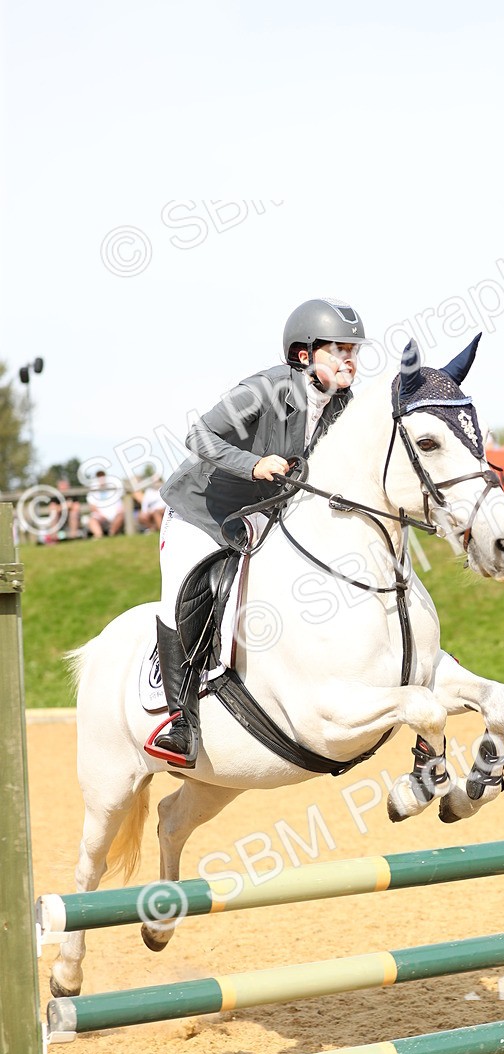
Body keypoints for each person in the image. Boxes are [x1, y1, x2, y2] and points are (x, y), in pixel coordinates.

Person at [150, 297, 368, 768]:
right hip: (200, 514)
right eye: (339, 350)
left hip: (261, 516)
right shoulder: (265, 389)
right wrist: (252, 464)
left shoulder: (343, 405)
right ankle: (180, 722)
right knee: (182, 594)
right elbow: (199, 436)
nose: (350, 360)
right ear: (304, 355)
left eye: (354, 351)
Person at [87, 470, 125, 537]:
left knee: (120, 516)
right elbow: (92, 506)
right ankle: (98, 535)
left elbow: (119, 504)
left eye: (102, 476)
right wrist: (101, 515)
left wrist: (118, 512)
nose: (101, 479)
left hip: (114, 514)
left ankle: (111, 534)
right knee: (92, 520)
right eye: (99, 477)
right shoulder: (93, 489)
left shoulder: (113, 487)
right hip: (100, 515)